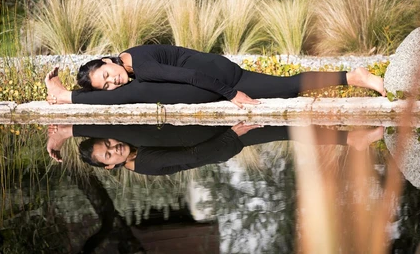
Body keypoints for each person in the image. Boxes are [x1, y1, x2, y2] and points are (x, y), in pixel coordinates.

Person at [45, 45, 385, 109]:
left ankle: (62, 96)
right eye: (105, 84)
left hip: (215, 76)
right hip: (218, 70)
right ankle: (352, 76)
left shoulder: (144, 69)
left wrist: (231, 95)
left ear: (108, 60)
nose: (112, 81)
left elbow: (192, 76)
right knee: (288, 86)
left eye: (107, 74)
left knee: (133, 94)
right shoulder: (130, 58)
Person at [47, 122, 384, 175]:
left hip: (213, 132)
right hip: (221, 143)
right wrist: (234, 135)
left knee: (286, 127)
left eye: (108, 144)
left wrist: (64, 132)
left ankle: (349, 138)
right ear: (110, 167)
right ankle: (351, 140)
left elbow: (109, 125)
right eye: (109, 154)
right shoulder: (144, 162)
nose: (114, 147)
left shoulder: (129, 144)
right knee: (286, 130)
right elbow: (194, 158)